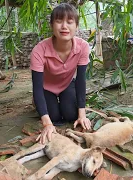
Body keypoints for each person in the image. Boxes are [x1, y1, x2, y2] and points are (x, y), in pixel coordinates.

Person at [30, 3, 91, 144]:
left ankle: (66, 103)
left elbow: (81, 81)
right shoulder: (39, 51)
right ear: (51, 25)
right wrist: (47, 124)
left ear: (76, 26)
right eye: (59, 21)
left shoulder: (83, 47)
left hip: (67, 84)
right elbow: (37, 88)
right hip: (46, 88)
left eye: (69, 22)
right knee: (54, 118)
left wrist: (82, 115)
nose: (64, 26)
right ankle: (40, 105)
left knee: (71, 115)